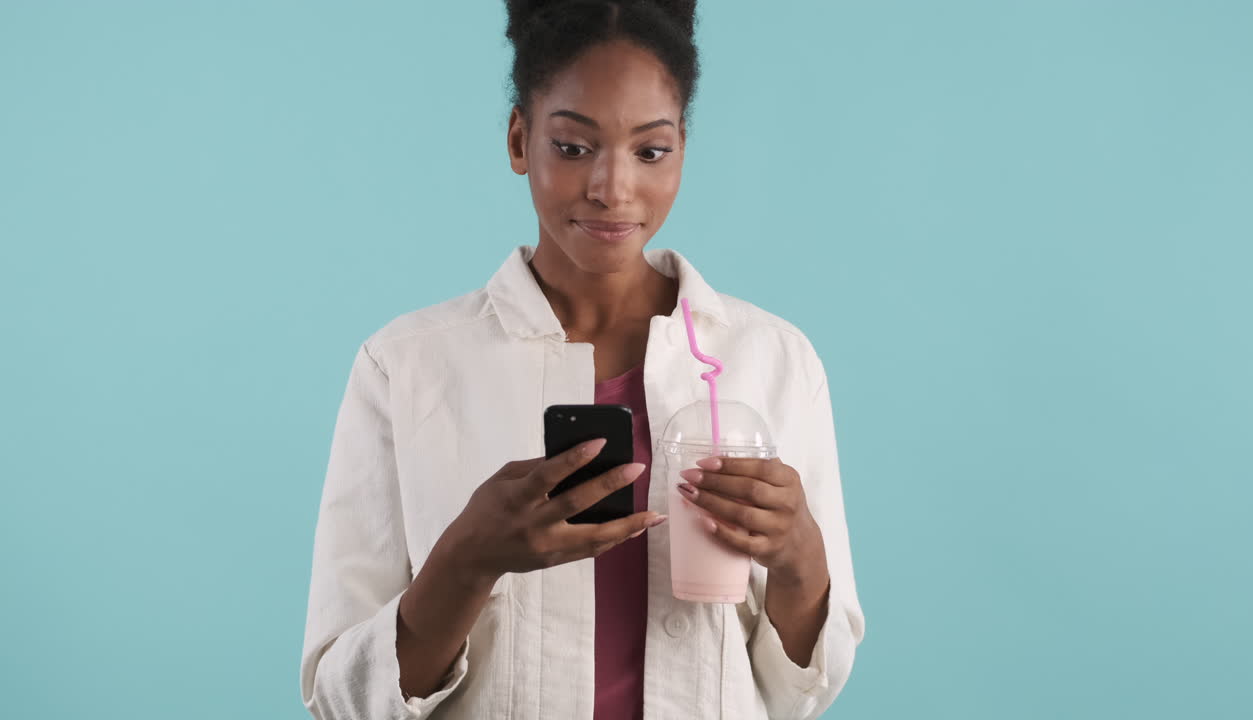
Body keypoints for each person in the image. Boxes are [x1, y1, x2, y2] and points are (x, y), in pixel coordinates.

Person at [299, 1, 866, 718]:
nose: (612, 187)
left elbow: (802, 692)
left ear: (683, 149)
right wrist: (464, 562)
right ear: (518, 139)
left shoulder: (774, 361)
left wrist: (800, 559)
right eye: (573, 147)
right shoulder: (405, 367)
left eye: (650, 151)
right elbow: (341, 698)